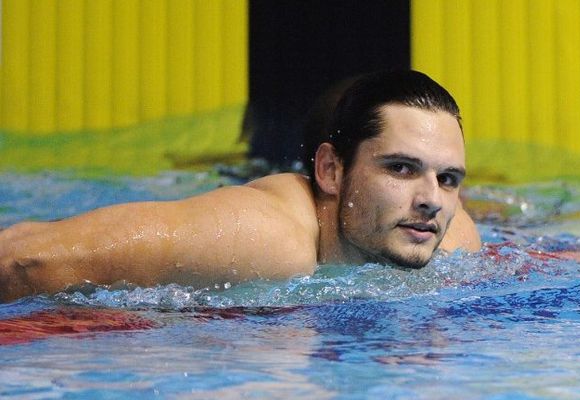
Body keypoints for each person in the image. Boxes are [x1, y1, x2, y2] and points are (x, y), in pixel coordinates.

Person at [0, 69, 481, 303]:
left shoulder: (453, 241)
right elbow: (25, 258)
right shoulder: (261, 238)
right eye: (400, 168)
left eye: (448, 179)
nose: (431, 200)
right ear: (331, 170)